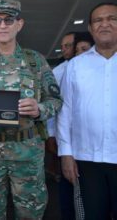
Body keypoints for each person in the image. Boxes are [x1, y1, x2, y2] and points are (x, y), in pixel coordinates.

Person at [0, 0, 62, 219]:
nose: (3, 25)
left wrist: (39, 109)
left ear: (20, 24)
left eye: (9, 20)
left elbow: (55, 100)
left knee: (30, 213)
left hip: (27, 152)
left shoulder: (35, 61)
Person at [57, 2, 117, 220]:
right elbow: (65, 112)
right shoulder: (76, 66)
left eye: (112, 18)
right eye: (98, 20)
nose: (105, 24)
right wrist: (66, 154)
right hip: (86, 159)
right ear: (91, 29)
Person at [46, 32, 77, 220]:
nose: (64, 49)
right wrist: (51, 134)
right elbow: (55, 106)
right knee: (68, 182)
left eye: (68, 45)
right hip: (66, 135)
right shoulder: (58, 71)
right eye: (63, 46)